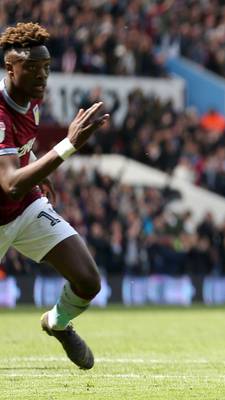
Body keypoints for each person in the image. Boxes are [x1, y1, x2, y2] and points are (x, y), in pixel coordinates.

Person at [0, 22, 109, 369]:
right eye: (32, 68)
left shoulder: (30, 100)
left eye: (46, 68)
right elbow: (10, 182)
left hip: (24, 208)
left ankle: (57, 322)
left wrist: (39, 170)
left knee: (88, 280)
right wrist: (68, 145)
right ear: (10, 68)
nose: (42, 76)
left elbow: (22, 154)